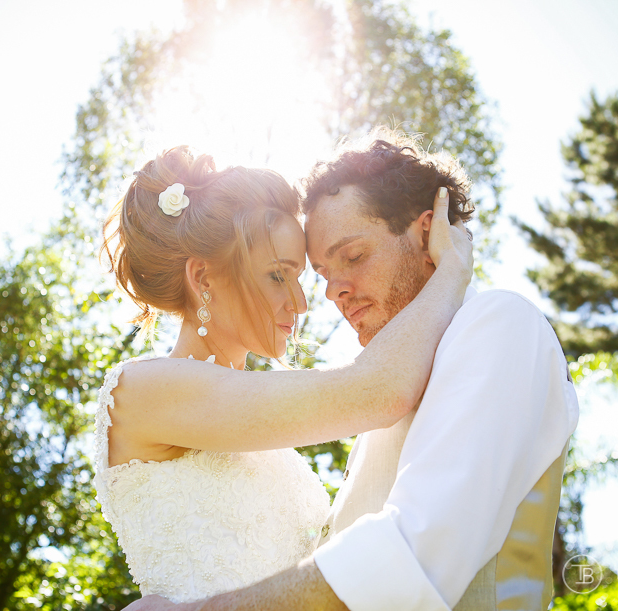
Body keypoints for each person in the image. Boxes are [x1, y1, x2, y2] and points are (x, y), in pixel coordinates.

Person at [124, 131, 579, 611]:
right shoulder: (388, 399)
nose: (327, 295)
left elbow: (411, 557)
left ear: (429, 234)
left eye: (354, 257)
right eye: (320, 273)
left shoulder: (497, 323)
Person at [93, 144, 474, 604]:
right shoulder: (142, 392)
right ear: (204, 279)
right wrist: (451, 271)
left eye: (299, 278)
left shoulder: (270, 440)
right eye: (278, 276)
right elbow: (379, 392)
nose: (301, 302)